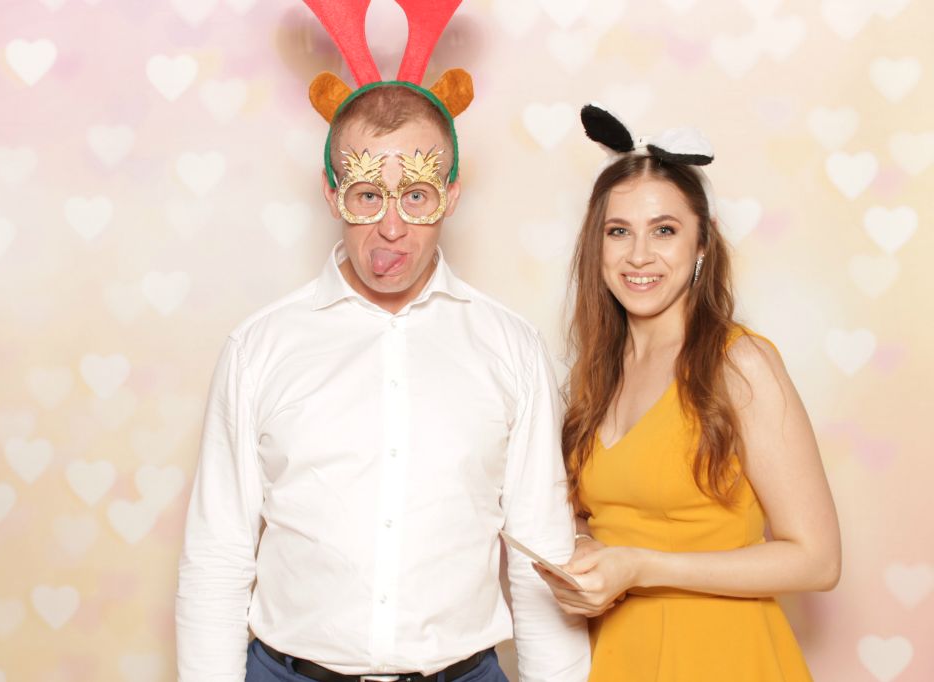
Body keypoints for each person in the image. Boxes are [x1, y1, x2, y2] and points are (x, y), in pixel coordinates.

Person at [175, 3, 589, 681]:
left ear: (451, 194)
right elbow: (217, 556)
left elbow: (542, 555)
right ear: (331, 191)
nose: (391, 227)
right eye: (367, 195)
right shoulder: (259, 348)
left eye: (416, 196)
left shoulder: (511, 348)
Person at [535, 104, 842, 681]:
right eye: (618, 231)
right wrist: (583, 547)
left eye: (665, 230)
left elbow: (818, 560)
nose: (639, 255)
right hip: (617, 658)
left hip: (724, 658)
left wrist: (640, 567)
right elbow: (593, 517)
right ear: (596, 245)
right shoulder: (593, 375)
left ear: (702, 243)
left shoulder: (739, 364)